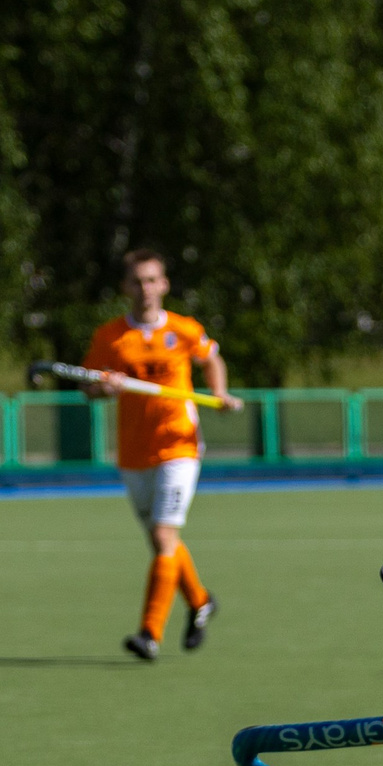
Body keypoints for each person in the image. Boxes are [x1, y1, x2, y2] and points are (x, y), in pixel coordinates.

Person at [82, 248, 240, 661]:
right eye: (137, 281)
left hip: (179, 445)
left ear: (164, 284)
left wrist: (219, 392)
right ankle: (201, 602)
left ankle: (150, 633)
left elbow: (211, 358)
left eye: (152, 280)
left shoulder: (184, 330)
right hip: (134, 452)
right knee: (163, 542)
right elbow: (89, 388)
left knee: (163, 535)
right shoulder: (111, 337)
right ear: (125, 287)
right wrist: (106, 387)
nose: (145, 288)